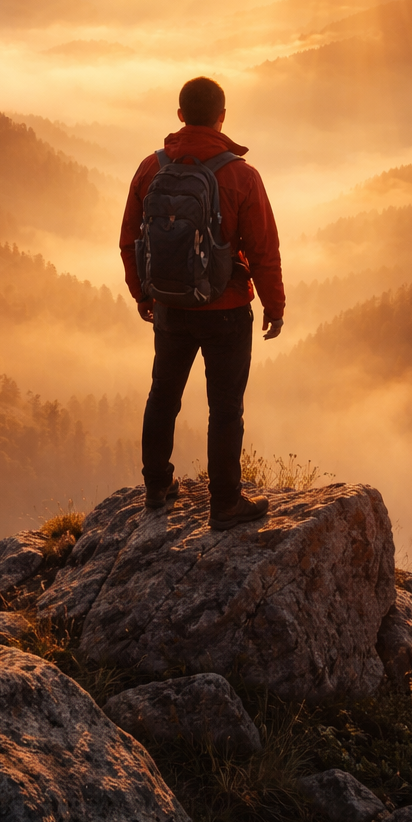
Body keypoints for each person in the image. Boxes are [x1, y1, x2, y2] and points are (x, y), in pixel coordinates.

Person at [120, 76, 285, 530]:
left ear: (179, 116)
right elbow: (263, 249)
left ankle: (157, 486)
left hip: (171, 307)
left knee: (163, 396)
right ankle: (226, 503)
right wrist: (275, 305)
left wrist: (143, 292)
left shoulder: (150, 168)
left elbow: (130, 239)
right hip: (227, 309)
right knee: (226, 407)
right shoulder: (241, 176)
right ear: (222, 117)